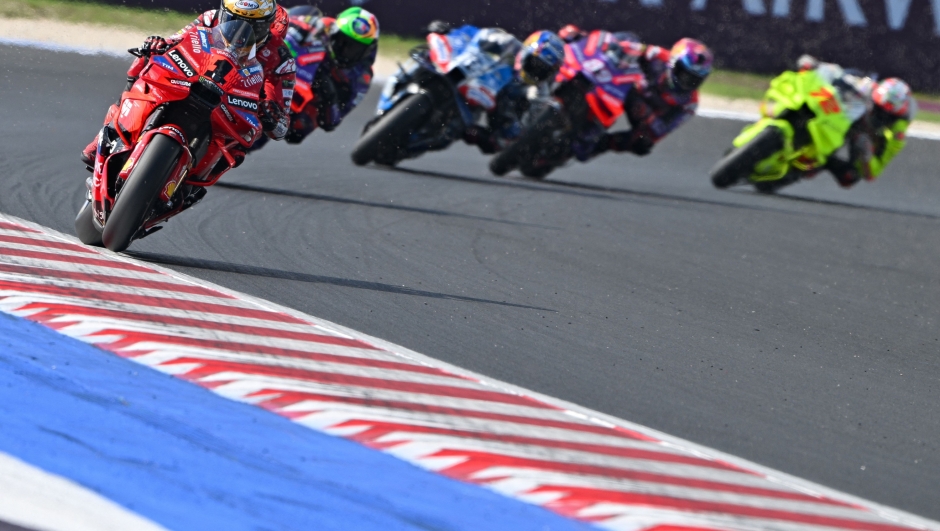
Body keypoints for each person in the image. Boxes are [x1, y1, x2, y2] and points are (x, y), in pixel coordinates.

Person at [80, 0, 296, 169]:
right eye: (234, 20)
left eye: (254, 28)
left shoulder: (282, 60)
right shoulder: (210, 19)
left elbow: (282, 126)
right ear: (223, 13)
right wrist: (158, 45)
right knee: (147, 60)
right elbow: (178, 40)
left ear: (268, 28)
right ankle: (107, 133)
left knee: (241, 146)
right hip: (198, 78)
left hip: (233, 103)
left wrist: (271, 115)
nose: (241, 33)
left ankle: (194, 183)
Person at [795, 55, 915, 189]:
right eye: (876, 106)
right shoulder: (869, 86)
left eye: (884, 112)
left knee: (849, 177)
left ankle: (823, 161)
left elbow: (872, 174)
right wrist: (817, 66)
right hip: (844, 113)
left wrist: (866, 156)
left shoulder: (898, 134)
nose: (878, 113)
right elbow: (840, 74)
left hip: (860, 135)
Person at [588, 36, 713, 159]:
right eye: (684, 74)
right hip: (625, 84)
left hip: (643, 111)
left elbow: (660, 131)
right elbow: (632, 47)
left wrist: (648, 117)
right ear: (673, 62)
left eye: (694, 80)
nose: (687, 82)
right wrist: (615, 48)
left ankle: (596, 145)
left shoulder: (689, 104)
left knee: (643, 143)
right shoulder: (658, 55)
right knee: (628, 37)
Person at [274, 5, 379, 145]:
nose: (346, 51)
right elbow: (289, 19)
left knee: (298, 131)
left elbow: (333, 122)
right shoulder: (322, 26)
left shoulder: (361, 77)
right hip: (286, 68)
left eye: (355, 49)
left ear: (367, 51)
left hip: (303, 100)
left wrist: (328, 95)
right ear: (334, 33)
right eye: (342, 42)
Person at [462, 29, 566, 154]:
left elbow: (528, 126)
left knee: (508, 137)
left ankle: (471, 132)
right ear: (527, 50)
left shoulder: (540, 92)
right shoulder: (507, 42)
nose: (536, 71)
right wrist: (446, 33)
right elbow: (473, 35)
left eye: (543, 70)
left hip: (501, 108)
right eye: (535, 63)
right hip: (474, 81)